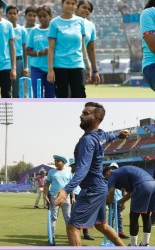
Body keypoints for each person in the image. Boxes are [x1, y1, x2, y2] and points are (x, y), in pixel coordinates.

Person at [54, 102, 129, 246]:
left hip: (92, 190)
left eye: (85, 113)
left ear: (97, 118)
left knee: (72, 226)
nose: (81, 116)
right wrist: (119, 134)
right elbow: (109, 136)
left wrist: (66, 190)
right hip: (100, 188)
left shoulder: (87, 140)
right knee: (101, 225)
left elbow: (82, 169)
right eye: (82, 112)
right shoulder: (99, 135)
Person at [47, 0, 91, 98]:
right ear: (62, 4)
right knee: (62, 96)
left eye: (73, 3)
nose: (70, 6)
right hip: (60, 66)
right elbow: (51, 48)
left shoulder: (80, 21)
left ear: (76, 6)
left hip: (77, 65)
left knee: (79, 94)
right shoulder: (54, 23)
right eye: (67, 3)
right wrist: (50, 70)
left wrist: (88, 66)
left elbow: (83, 46)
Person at [103, 165, 155, 247]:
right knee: (146, 215)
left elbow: (111, 192)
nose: (107, 180)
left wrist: (105, 204)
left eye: (106, 178)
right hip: (153, 184)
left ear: (108, 172)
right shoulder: (122, 175)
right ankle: (145, 243)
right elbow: (130, 193)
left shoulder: (113, 174)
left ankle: (133, 245)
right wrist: (120, 202)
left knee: (133, 216)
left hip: (142, 185)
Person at [26, 5, 55, 98]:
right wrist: (39, 52)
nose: (42, 18)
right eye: (40, 16)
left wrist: (51, 49)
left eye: (44, 16)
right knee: (37, 95)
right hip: (36, 68)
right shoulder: (34, 31)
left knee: (50, 96)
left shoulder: (54, 29)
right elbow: (27, 50)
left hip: (52, 68)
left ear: (50, 16)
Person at [44, 154, 73, 246]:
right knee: (53, 218)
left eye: (58, 161)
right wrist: (45, 195)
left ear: (63, 162)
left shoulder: (69, 172)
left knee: (68, 218)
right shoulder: (51, 172)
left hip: (66, 197)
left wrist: (73, 197)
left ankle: (71, 238)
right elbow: (47, 184)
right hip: (54, 197)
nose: (56, 162)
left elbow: (71, 186)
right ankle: (52, 238)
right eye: (55, 161)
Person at [75, 0, 101, 85]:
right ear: (76, 8)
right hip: (63, 64)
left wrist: (95, 70)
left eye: (89, 9)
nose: (86, 10)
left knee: (78, 95)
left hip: (81, 65)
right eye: (84, 7)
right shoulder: (67, 22)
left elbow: (91, 50)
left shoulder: (91, 26)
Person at [5, 4, 29, 98]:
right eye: (10, 13)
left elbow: (25, 49)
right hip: (6, 62)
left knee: (17, 90)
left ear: (17, 15)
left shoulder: (22, 30)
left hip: (18, 61)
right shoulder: (4, 29)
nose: (12, 15)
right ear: (6, 15)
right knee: (6, 89)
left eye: (14, 13)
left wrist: (26, 67)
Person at [69, 158, 94, 241]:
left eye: (73, 165)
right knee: (75, 215)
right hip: (74, 196)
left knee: (85, 214)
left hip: (83, 194)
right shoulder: (71, 175)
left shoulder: (83, 173)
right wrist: (72, 197)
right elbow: (71, 186)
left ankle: (85, 233)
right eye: (72, 166)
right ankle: (76, 233)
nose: (72, 167)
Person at [108, 162, 129, 239]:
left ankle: (120, 232)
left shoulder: (121, 178)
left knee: (120, 217)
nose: (113, 170)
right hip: (111, 200)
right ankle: (110, 233)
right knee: (111, 217)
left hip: (119, 200)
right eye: (112, 168)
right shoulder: (108, 178)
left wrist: (124, 202)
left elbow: (124, 191)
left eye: (115, 168)